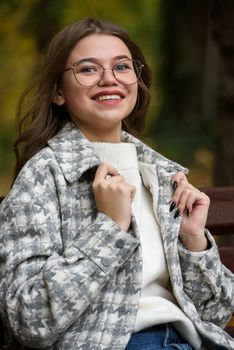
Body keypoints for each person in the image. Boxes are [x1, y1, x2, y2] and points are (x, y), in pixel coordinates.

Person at [0, 18, 233, 350]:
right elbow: (29, 319)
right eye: (88, 70)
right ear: (58, 93)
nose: (109, 79)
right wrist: (108, 229)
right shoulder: (43, 179)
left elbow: (217, 313)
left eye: (122, 66)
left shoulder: (160, 177)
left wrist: (194, 241)